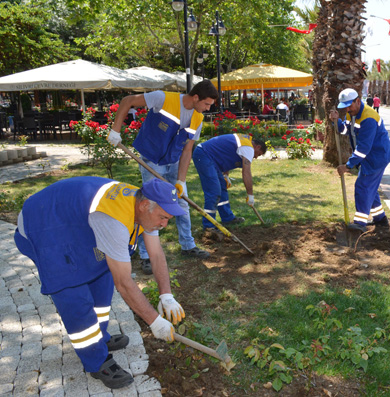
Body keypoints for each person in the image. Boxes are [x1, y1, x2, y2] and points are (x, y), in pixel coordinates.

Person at [14, 177, 186, 389]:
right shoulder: (114, 219)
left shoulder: (148, 205)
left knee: (101, 276)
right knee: (73, 293)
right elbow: (123, 283)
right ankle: (96, 360)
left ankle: (100, 337)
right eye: (163, 217)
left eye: (168, 218)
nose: (164, 224)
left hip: (73, 222)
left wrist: (166, 295)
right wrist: (154, 321)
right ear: (143, 206)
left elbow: (157, 255)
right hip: (44, 226)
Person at [107, 80, 218, 274]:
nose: (208, 109)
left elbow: (187, 150)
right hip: (151, 160)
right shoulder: (163, 98)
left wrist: (181, 180)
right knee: (149, 206)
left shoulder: (198, 119)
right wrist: (115, 130)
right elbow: (127, 101)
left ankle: (188, 245)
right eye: (207, 104)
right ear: (196, 97)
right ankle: (145, 255)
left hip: (174, 161)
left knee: (182, 202)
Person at [329, 88, 390, 233]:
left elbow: (363, 148)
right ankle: (380, 219)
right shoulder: (352, 114)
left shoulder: (368, 117)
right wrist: (337, 121)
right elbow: (345, 130)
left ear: (358, 101)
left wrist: (348, 166)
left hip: (377, 156)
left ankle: (359, 223)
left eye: (349, 106)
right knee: (370, 187)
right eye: (344, 107)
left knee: (363, 186)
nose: (347, 109)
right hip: (369, 156)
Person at [192, 133, 266, 234]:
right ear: (257, 147)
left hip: (210, 157)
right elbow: (246, 172)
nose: (256, 157)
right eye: (259, 153)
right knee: (213, 191)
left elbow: (226, 154)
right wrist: (250, 194)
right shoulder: (248, 147)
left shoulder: (244, 141)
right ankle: (209, 226)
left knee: (222, 188)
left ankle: (227, 218)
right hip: (204, 155)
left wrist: (225, 175)